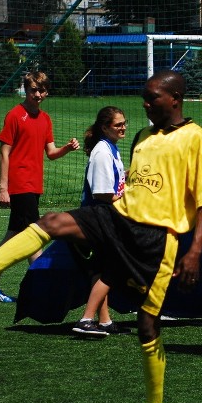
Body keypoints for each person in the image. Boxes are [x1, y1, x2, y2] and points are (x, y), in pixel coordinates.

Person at [0, 70, 202, 403]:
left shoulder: (197, 139)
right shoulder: (143, 136)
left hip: (156, 241)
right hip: (117, 218)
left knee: (146, 325)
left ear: (175, 99)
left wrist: (194, 253)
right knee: (53, 221)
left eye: (152, 97)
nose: (145, 103)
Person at [0, 71, 80, 302]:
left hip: (34, 185)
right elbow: (4, 153)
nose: (38, 94)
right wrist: (3, 187)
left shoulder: (45, 119)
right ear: (25, 90)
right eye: (33, 90)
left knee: (16, 234)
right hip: (20, 184)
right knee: (33, 234)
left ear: (47, 91)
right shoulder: (15, 115)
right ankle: (44, 284)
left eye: (42, 90)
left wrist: (67, 148)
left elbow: (51, 153)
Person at [72, 106, 129, 338]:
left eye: (124, 123)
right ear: (105, 128)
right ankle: (86, 318)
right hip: (98, 217)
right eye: (118, 124)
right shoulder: (103, 152)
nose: (123, 127)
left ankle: (103, 320)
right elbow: (102, 193)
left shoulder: (110, 148)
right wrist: (130, 196)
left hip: (102, 216)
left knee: (101, 269)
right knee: (110, 270)